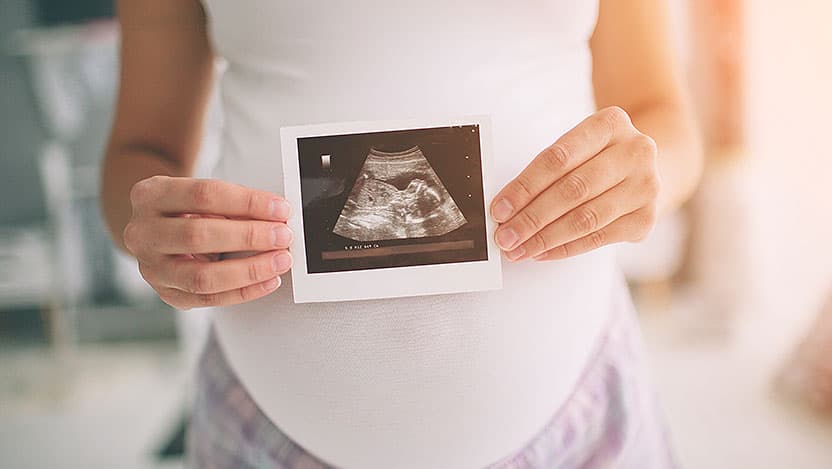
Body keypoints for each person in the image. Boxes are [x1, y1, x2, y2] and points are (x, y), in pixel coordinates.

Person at [101, 1, 702, 468]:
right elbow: (138, 154)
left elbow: (662, 116)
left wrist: (652, 173)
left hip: (578, 415)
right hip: (262, 431)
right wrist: (150, 229)